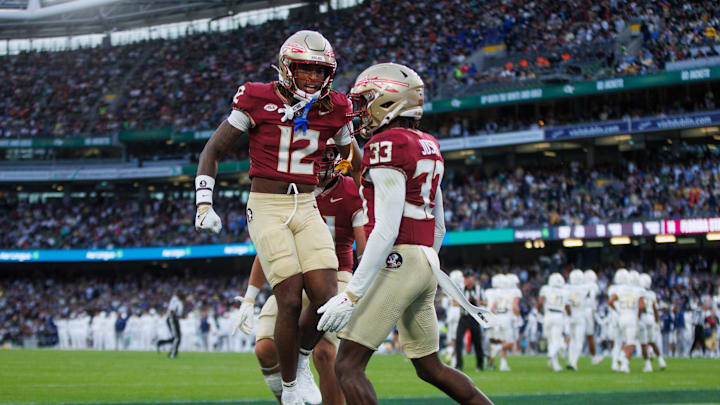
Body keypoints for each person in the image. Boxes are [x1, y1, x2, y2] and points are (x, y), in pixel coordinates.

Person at [194, 30, 360, 405]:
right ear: (287, 67)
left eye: (320, 72)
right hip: (267, 207)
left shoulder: (334, 107)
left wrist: (366, 177)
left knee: (325, 298)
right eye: (305, 70)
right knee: (287, 298)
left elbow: (352, 153)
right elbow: (213, 149)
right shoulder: (256, 97)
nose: (313, 79)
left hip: (306, 204)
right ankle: (289, 388)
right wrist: (204, 203)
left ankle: (299, 359)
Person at [317, 62, 494, 405]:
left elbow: (386, 228)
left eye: (367, 99)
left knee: (348, 366)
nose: (361, 109)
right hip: (425, 260)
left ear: (388, 100)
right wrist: (423, 263)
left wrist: (352, 294)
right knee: (430, 367)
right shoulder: (427, 143)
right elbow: (439, 224)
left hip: (399, 259)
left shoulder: (387, 144)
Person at [234, 140, 367, 405]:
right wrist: (249, 297)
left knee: (325, 353)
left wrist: (362, 287)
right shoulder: (288, 190)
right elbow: (267, 248)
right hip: (296, 276)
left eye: (327, 154)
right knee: (265, 348)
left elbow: (364, 249)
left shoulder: (350, 190)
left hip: (336, 275)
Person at [608, 269, 645, 373]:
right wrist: (638, 316)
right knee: (630, 342)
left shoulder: (618, 289)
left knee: (620, 341)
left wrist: (618, 311)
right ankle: (624, 362)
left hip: (620, 317)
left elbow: (610, 301)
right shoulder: (638, 290)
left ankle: (617, 361)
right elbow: (642, 306)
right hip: (631, 317)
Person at [538, 273, 570, 372]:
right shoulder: (565, 291)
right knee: (556, 339)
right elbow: (567, 307)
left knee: (551, 340)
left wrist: (540, 312)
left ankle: (555, 364)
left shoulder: (546, 289)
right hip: (559, 315)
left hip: (548, 315)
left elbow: (540, 302)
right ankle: (552, 353)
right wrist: (569, 314)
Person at [456, 270, 485, 372]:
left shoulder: (478, 289)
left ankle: (480, 365)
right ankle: (458, 365)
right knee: (458, 341)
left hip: (474, 318)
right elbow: (454, 302)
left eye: (470, 277)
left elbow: (485, 302)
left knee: (477, 342)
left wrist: (477, 301)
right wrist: (464, 302)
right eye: (467, 277)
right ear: (464, 279)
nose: (469, 280)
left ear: (473, 278)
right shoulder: (460, 289)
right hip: (463, 317)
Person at [639, 274, 666, 371]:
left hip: (643, 317)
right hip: (651, 317)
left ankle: (648, 365)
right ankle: (661, 361)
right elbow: (655, 309)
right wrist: (657, 322)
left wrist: (637, 318)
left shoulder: (639, 292)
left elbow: (640, 307)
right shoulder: (652, 294)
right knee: (652, 341)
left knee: (643, 343)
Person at [565, 269, 587, 371]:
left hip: (571, 316)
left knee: (572, 340)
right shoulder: (585, 288)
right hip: (580, 315)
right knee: (579, 340)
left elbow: (567, 304)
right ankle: (574, 362)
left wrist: (570, 315)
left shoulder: (567, 288)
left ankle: (570, 360)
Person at [583, 269, 603, 364]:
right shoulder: (593, 286)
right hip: (589, 310)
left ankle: (563, 346)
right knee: (590, 335)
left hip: (579, 310)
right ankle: (594, 357)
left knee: (575, 335)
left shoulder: (580, 285)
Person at [157, 291, 184, 358]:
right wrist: (175, 316)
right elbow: (172, 310)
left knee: (177, 337)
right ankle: (172, 353)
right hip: (173, 319)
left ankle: (161, 343)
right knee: (177, 337)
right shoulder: (175, 300)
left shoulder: (177, 300)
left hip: (175, 319)